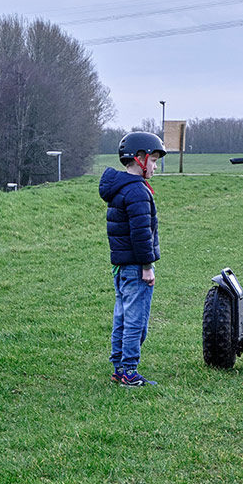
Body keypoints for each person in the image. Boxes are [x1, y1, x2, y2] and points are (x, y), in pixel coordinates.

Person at [99, 131, 167, 387]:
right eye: (154, 160)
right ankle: (128, 370)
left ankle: (118, 367)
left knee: (122, 317)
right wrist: (147, 267)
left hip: (120, 266)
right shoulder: (137, 191)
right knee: (136, 322)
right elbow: (141, 234)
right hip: (135, 267)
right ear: (140, 158)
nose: (155, 166)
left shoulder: (120, 187)